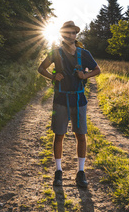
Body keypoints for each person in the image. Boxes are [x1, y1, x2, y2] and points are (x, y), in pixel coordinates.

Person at [38, 20, 101, 188]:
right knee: (59, 135)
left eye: (73, 33)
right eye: (67, 33)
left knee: (81, 135)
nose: (70, 35)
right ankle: (58, 171)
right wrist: (53, 77)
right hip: (61, 99)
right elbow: (41, 68)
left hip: (79, 100)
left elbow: (97, 70)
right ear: (62, 35)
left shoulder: (84, 53)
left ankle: (81, 172)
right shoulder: (55, 53)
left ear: (75, 35)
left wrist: (84, 76)